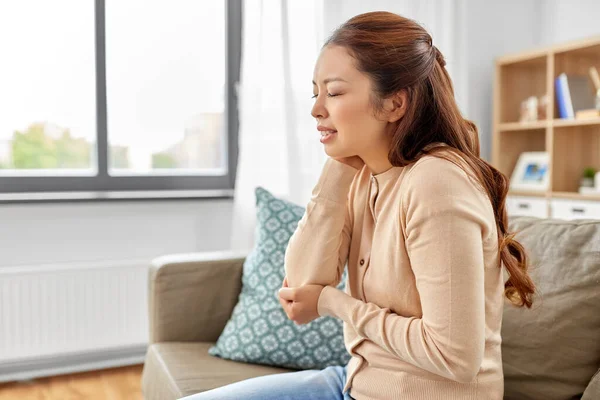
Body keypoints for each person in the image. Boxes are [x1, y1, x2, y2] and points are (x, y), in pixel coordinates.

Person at [181, 11, 535, 400]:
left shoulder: (437, 182)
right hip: (354, 383)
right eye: (315, 92)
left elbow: (455, 356)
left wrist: (333, 302)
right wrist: (336, 171)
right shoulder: (364, 175)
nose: (317, 108)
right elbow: (300, 285)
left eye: (333, 92)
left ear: (394, 103)